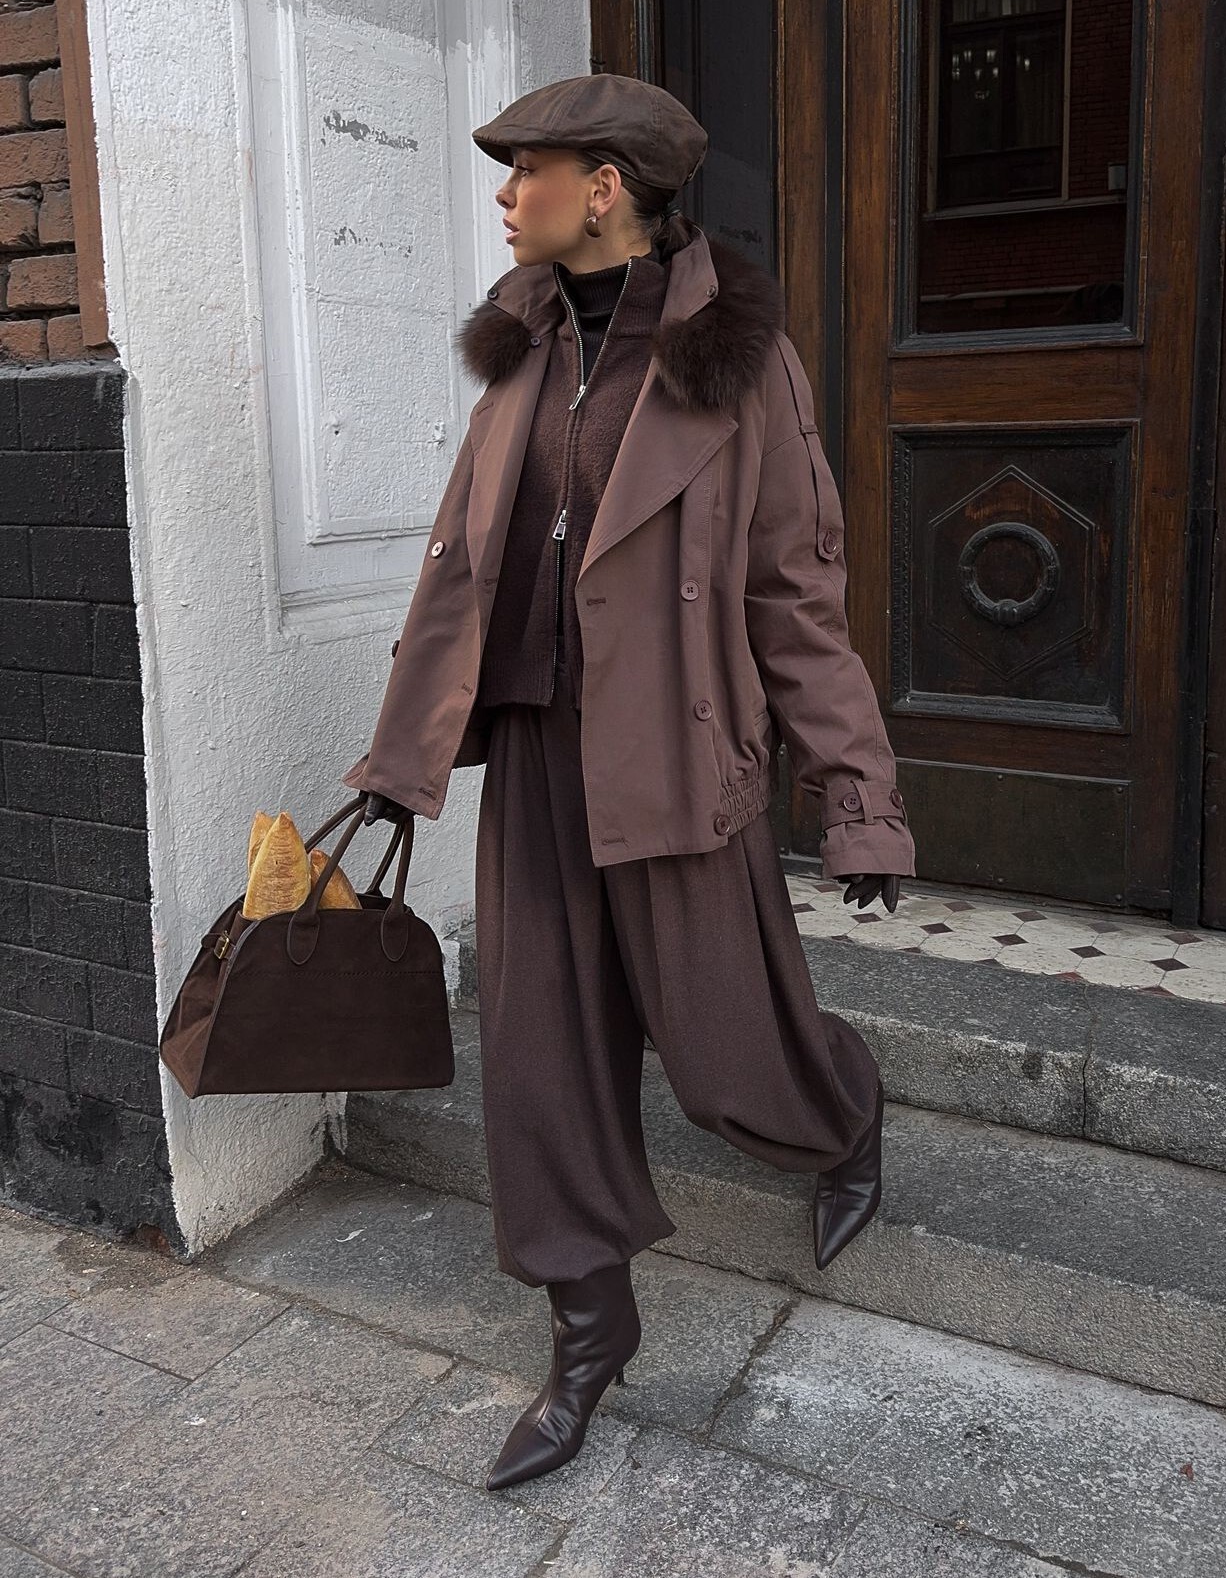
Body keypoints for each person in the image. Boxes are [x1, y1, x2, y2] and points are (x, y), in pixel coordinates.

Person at [340, 73, 915, 1491]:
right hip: (539, 756)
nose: (502, 196)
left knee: (727, 1060)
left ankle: (839, 1110)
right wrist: (404, 760)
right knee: (541, 1062)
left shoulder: (738, 364)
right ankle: (588, 1331)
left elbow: (796, 597)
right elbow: (460, 566)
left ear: (603, 189)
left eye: (524, 170)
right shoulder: (523, 347)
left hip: (678, 758)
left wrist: (857, 797)